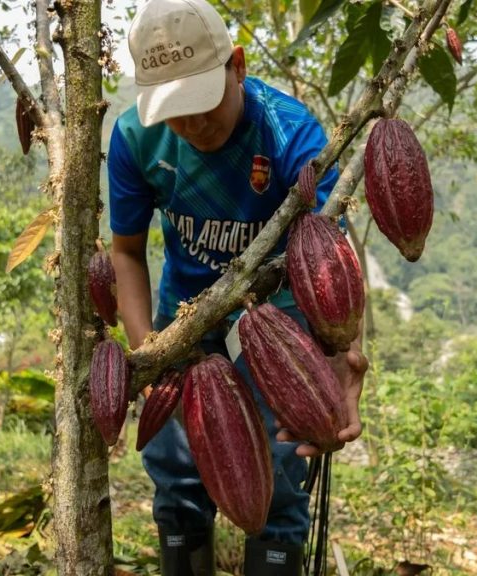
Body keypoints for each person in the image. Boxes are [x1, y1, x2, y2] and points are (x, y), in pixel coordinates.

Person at [107, 0, 368, 573]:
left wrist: (342, 353)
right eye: (175, 112)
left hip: (279, 315)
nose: (194, 125)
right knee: (176, 474)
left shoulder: (288, 131)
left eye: (202, 103)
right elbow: (126, 253)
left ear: (238, 67)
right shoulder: (135, 139)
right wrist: (147, 348)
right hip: (187, 318)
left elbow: (332, 257)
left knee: (280, 471)